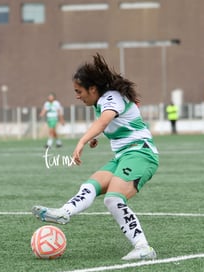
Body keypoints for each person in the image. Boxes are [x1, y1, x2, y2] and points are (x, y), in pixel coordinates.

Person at [32, 53, 159, 261]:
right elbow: (110, 124)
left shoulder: (111, 97)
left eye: (78, 91)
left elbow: (103, 122)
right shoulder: (104, 101)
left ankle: (143, 247)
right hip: (125, 156)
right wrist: (96, 137)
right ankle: (65, 212)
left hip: (140, 154)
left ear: (93, 89)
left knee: (113, 199)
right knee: (91, 184)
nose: (77, 96)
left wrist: (82, 141)